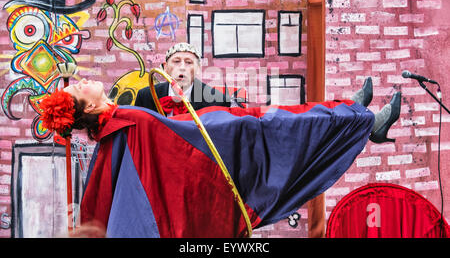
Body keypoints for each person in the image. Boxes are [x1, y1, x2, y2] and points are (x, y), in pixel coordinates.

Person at [39, 76, 401, 237]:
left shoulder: (118, 123)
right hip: (222, 152)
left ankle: (352, 112)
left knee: (277, 119)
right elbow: (169, 155)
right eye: (79, 87)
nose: (84, 81)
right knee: (279, 125)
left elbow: (163, 141)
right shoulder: (122, 122)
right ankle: (361, 122)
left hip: (220, 138)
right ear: (86, 104)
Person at [134, 42, 231, 115]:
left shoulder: (217, 100)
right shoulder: (146, 96)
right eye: (176, 61)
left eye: (189, 62)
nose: (182, 67)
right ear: (165, 68)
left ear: (198, 69)